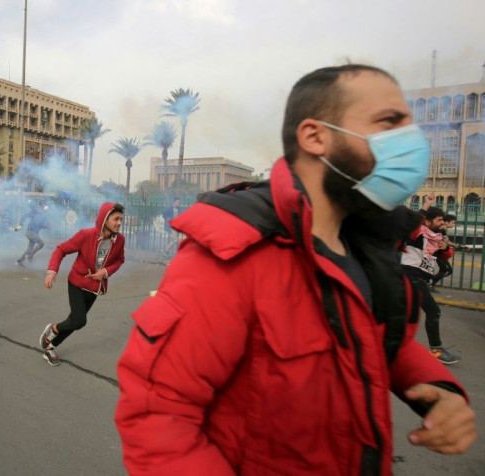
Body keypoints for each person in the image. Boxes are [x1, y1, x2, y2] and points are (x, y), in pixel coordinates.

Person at [115, 65, 476, 474]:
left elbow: (369, 338)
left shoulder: (364, 244)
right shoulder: (235, 257)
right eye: (388, 122)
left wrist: (439, 391)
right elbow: (157, 417)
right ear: (315, 136)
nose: (411, 140)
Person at [38, 202, 125, 366]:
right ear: (105, 219)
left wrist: (105, 272)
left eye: (121, 219)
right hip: (77, 283)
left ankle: (49, 347)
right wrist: (52, 271)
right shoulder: (86, 235)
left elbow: (120, 260)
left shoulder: (120, 240)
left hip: (94, 288)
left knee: (74, 321)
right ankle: (53, 329)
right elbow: (61, 250)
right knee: (79, 320)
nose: (119, 223)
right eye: (116, 219)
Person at [400, 205, 460, 364]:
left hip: (420, 279)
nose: (442, 222)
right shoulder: (417, 233)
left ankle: (392, 345)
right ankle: (436, 349)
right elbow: (414, 221)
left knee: (405, 313)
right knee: (434, 311)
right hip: (411, 275)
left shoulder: (436, 238)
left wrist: (446, 247)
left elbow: (445, 256)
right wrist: (425, 207)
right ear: (427, 221)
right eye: (439, 219)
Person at [15, 202, 50, 267]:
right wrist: (20, 225)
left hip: (34, 233)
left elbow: (41, 225)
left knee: (29, 248)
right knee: (41, 243)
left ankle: (19, 261)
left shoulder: (43, 216)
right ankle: (30, 255)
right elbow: (23, 216)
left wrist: (47, 226)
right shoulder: (35, 212)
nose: (45, 206)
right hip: (30, 232)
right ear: (41, 206)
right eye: (44, 205)